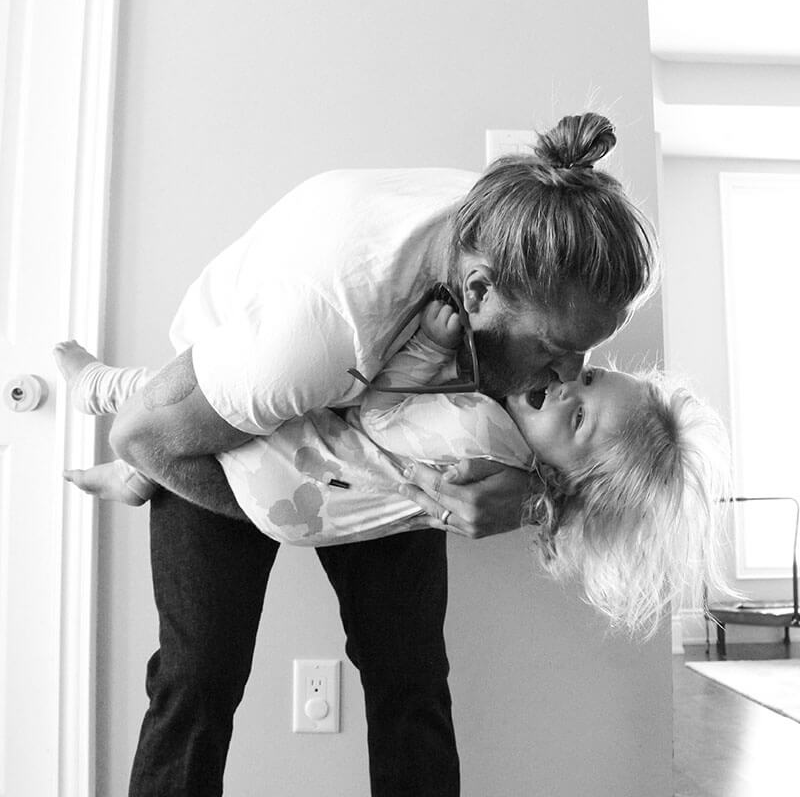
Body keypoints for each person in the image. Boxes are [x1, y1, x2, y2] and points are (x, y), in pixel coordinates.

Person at [70, 113, 660, 796]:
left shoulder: (533, 231)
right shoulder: (314, 327)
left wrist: (532, 500)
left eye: (586, 353)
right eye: (557, 349)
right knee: (198, 677)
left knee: (410, 677)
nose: (566, 373)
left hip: (369, 419)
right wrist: (302, 505)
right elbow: (139, 434)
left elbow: (585, 459)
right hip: (219, 425)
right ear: (476, 293)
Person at [57, 289, 730, 639]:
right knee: (206, 427)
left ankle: (101, 391)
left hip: (296, 467)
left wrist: (428, 356)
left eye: (577, 416)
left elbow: (380, 417)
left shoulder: (485, 435)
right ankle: (135, 470)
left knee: (222, 389)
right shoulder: (512, 461)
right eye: (591, 379)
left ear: (570, 477)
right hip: (297, 501)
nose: (566, 382)